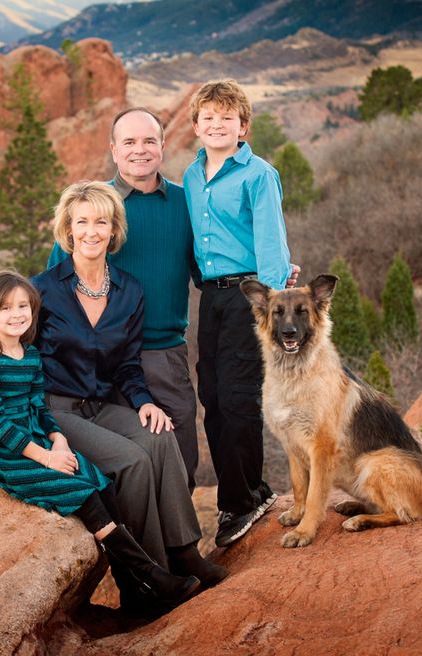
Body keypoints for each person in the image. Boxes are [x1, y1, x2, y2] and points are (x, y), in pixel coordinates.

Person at [0, 270, 199, 609]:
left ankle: (143, 583)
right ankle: (152, 578)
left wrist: (59, 441)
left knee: (101, 483)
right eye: (5, 309)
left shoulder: (30, 356)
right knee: (83, 494)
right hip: (4, 454)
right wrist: (44, 457)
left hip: (36, 439)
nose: (16, 315)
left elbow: (39, 407)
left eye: (23, 306)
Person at [32, 181, 226, 608]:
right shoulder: (42, 290)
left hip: (101, 406)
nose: (91, 231)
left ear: (114, 228)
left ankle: (184, 553)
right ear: (67, 229)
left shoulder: (128, 291)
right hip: (54, 411)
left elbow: (126, 366)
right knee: (133, 463)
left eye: (100, 221)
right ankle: (147, 582)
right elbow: (13, 356)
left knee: (160, 437)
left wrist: (145, 402)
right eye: (81, 222)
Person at [48, 108, 201, 491]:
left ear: (163, 147)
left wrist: (272, 270)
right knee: (121, 465)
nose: (140, 150)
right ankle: (130, 548)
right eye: (129, 142)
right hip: (98, 361)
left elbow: (210, 269)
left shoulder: (186, 204)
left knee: (180, 453)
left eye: (149, 141)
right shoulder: (93, 208)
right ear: (114, 150)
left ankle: (179, 548)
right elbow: (51, 292)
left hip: (163, 354)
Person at [183, 80, 293, 548]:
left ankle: (245, 499)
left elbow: (272, 243)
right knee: (211, 394)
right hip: (210, 298)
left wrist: (270, 303)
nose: (216, 125)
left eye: (226, 118)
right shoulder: (190, 177)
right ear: (195, 126)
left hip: (250, 295)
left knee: (237, 397)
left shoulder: (258, 175)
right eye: (208, 118)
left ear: (242, 126)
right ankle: (241, 495)